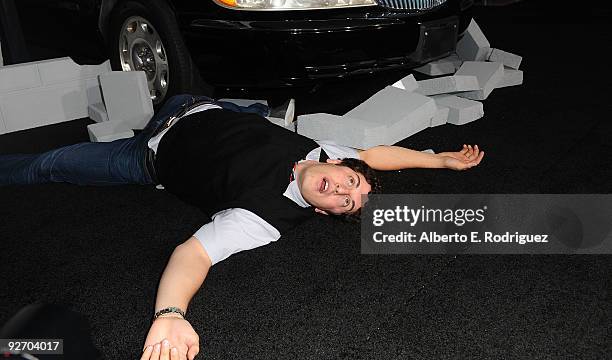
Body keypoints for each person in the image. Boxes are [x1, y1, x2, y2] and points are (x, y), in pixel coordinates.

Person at [0, 94, 485, 360]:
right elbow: (378, 155)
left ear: (323, 213)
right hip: (201, 105)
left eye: (345, 204)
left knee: (51, 164)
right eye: (350, 181)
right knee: (251, 108)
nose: (341, 191)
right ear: (343, 163)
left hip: (147, 157)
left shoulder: (263, 219)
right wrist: (437, 160)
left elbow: (194, 254)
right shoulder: (329, 150)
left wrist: (170, 313)